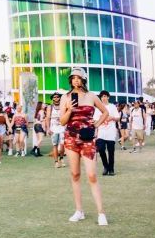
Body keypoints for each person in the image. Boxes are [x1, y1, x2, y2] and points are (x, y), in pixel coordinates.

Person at [59, 68, 111, 225]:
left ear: (83, 80)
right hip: (71, 138)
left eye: (78, 78)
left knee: (92, 175)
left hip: (88, 139)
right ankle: (79, 210)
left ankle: (101, 213)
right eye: (73, 78)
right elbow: (62, 121)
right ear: (70, 81)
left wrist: (96, 124)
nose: (76, 80)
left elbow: (105, 112)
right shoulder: (65, 97)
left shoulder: (91, 96)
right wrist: (70, 110)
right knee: (75, 174)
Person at [94, 91, 119, 176]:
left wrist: (112, 118)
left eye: (105, 96)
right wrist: (101, 120)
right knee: (101, 149)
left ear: (108, 97)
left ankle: (111, 169)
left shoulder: (112, 107)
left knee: (111, 151)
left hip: (111, 132)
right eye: (102, 97)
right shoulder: (98, 108)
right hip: (101, 132)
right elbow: (95, 120)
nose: (103, 98)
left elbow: (118, 118)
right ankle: (105, 166)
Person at [47, 93, 65, 168]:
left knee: (62, 145)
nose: (56, 98)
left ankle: (61, 158)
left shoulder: (63, 106)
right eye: (54, 97)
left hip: (62, 128)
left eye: (58, 97)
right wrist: (48, 128)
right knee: (55, 145)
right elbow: (47, 118)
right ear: (52, 98)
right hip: (53, 128)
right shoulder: (50, 107)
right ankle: (56, 161)